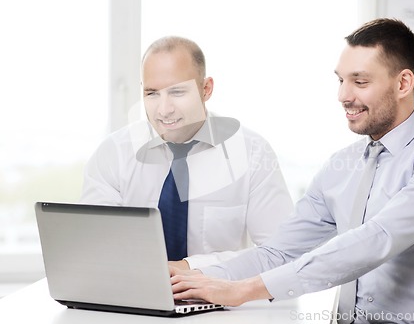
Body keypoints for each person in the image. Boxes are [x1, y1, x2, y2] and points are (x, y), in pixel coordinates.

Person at [170, 19, 414, 324]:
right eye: (341, 80)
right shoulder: (342, 166)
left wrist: (243, 290)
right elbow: (278, 253)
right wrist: (191, 281)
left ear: (403, 83)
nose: (343, 96)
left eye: (360, 82)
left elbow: (378, 239)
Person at [80, 36, 293, 270]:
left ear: (206, 89)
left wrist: (190, 268)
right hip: (129, 299)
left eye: (178, 92)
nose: (164, 109)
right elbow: (95, 249)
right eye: (152, 93)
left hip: (221, 301)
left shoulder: (252, 153)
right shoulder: (114, 154)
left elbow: (280, 253)